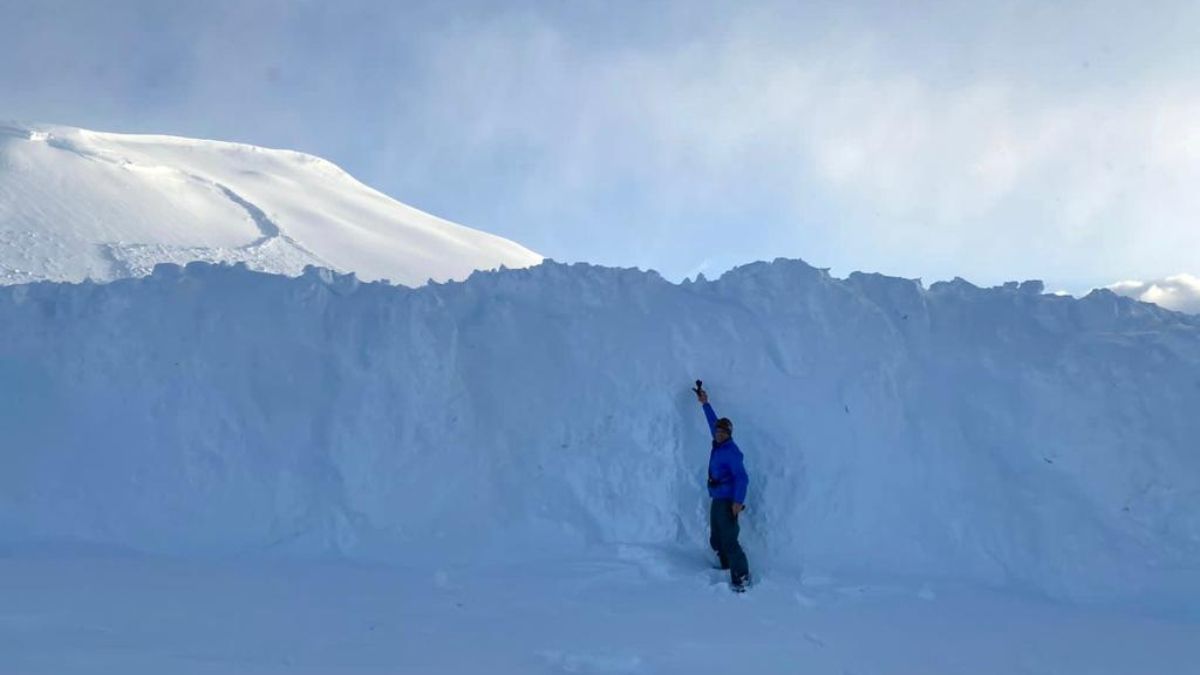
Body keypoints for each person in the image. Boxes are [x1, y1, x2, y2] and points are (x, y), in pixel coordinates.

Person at [693, 381, 751, 592]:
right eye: (717, 431)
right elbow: (713, 422)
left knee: (729, 540)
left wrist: (737, 502)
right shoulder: (718, 442)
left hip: (727, 501)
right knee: (717, 538)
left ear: (729, 434)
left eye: (723, 432)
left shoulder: (731, 452)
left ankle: (741, 576)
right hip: (717, 500)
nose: (718, 434)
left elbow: (742, 478)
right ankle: (726, 566)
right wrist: (705, 403)